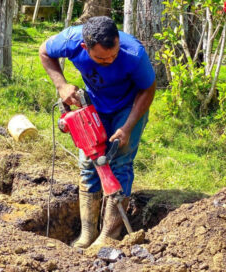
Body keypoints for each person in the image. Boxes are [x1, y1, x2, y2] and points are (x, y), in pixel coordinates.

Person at [39, 16, 156, 248]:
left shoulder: (134, 53)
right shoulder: (71, 40)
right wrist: (61, 85)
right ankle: (87, 233)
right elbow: (44, 51)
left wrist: (127, 127)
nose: (109, 61)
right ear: (85, 48)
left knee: (119, 162)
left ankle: (109, 236)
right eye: (101, 58)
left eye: (113, 55)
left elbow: (148, 89)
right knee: (89, 162)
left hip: (129, 106)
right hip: (94, 104)